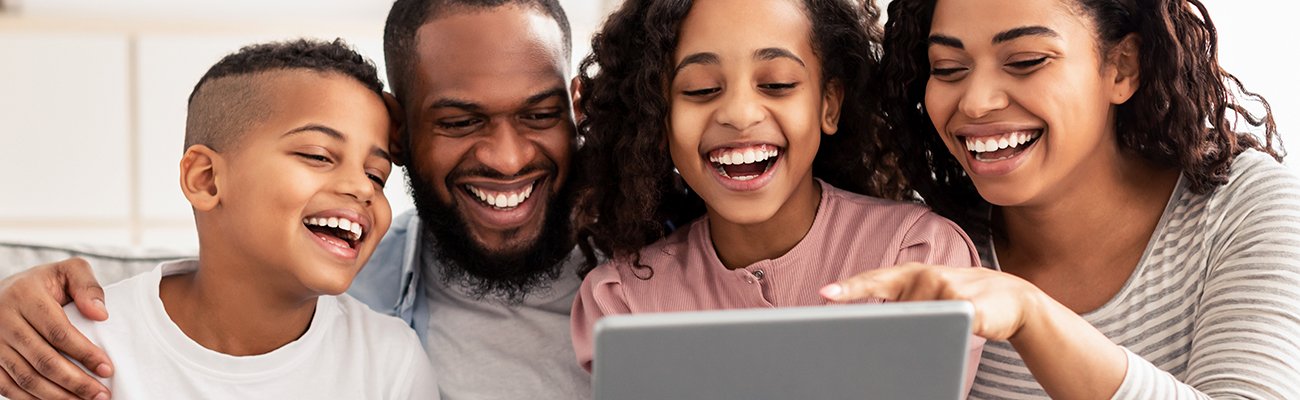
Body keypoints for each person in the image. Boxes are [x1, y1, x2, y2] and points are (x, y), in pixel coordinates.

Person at [0, 1, 592, 399]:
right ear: (403, 132)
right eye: (460, 122)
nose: (507, 159)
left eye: (540, 115)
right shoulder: (342, 278)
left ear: (578, 108)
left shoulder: (646, 273)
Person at [819, 0, 1300, 398]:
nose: (976, 102)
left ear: (1122, 68)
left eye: (1026, 61)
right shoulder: (925, 247)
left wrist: (1030, 315)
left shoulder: (1245, 211)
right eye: (947, 68)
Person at [568, 0, 983, 392]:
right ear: (658, 118)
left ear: (829, 105)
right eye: (700, 89)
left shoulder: (919, 256)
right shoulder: (622, 302)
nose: (740, 114)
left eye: (777, 84)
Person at [61, 39, 436, 399]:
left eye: (377, 176)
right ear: (207, 179)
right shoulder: (77, 343)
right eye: (318, 156)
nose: (364, 188)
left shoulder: (391, 362)